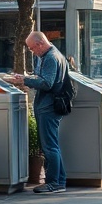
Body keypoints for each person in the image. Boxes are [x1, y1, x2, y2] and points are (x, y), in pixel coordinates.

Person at [13, 31, 70, 194]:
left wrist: (24, 80)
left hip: (48, 107)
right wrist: (27, 77)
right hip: (49, 106)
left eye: (32, 48)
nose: (32, 51)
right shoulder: (51, 55)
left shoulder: (51, 57)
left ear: (40, 44)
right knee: (52, 145)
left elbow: (47, 83)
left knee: (49, 146)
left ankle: (53, 182)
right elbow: (42, 78)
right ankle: (60, 181)